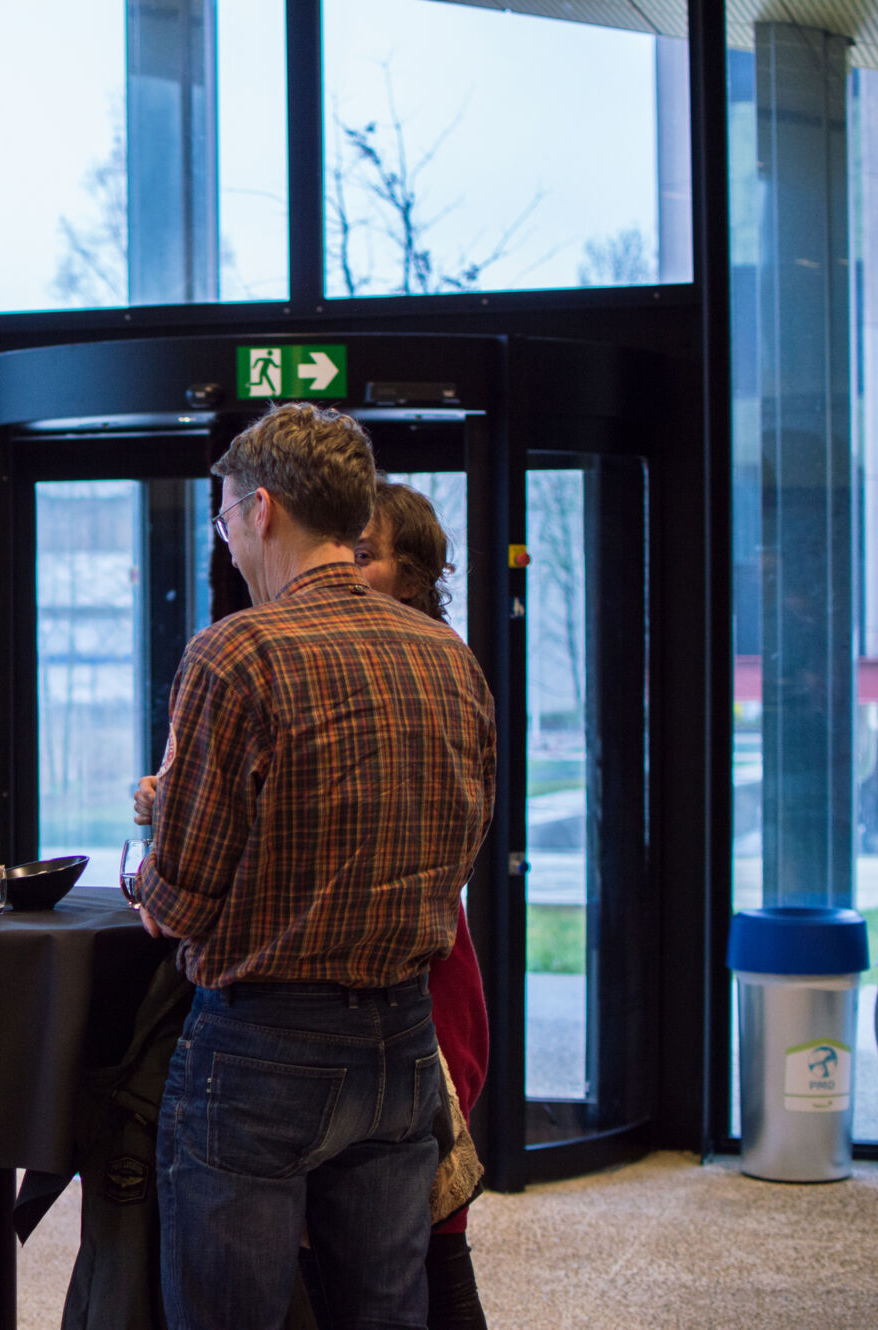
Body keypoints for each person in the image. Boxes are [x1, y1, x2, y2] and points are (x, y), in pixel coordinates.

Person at [131, 404, 496, 1330]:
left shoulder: (237, 654)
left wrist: (152, 870)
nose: (226, 544)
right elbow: (465, 839)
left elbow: (181, 901)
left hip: (262, 1051)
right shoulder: (449, 658)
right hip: (404, 1044)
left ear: (261, 512)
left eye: (222, 520)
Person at [356, 481, 492, 1329]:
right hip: (416, 976)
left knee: (432, 1232)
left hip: (424, 987)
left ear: (412, 576)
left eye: (361, 557)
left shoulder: (427, 668)